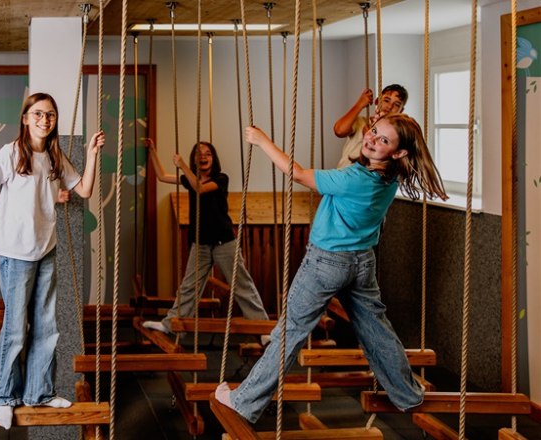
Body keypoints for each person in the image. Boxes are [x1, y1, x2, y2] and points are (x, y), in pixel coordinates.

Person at [215, 114, 448, 423]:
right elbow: (372, 149)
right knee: (377, 329)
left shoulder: (354, 179)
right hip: (362, 262)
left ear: (399, 153)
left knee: (289, 332)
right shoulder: (391, 178)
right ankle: (407, 393)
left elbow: (296, 173)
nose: (372, 139)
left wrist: (262, 141)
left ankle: (244, 401)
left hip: (327, 262)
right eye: (374, 132)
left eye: (384, 141)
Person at [0, 92, 105, 430]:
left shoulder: (54, 157)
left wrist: (93, 154)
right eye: (37, 114)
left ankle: (39, 392)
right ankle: (4, 396)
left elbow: (84, 190)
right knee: (16, 329)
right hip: (14, 253)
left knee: (48, 327)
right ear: (25, 118)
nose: (44, 120)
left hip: (44, 251)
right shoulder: (10, 153)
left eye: (50, 115)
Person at [142, 140, 270, 342]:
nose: (203, 157)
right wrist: (152, 151)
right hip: (200, 243)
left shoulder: (220, 179)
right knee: (188, 286)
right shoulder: (190, 180)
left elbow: (200, 188)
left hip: (224, 243)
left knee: (241, 284)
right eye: (199, 154)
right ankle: (171, 324)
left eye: (208, 153)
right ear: (195, 159)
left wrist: (183, 165)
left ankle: (263, 330)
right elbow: (162, 176)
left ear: (213, 158)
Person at [335, 84, 408, 169]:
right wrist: (360, 104)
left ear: (401, 111)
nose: (389, 106)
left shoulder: (396, 136)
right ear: (377, 101)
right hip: (344, 175)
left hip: (370, 179)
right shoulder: (361, 122)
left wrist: (370, 136)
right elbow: (339, 131)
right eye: (386, 100)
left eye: (396, 105)